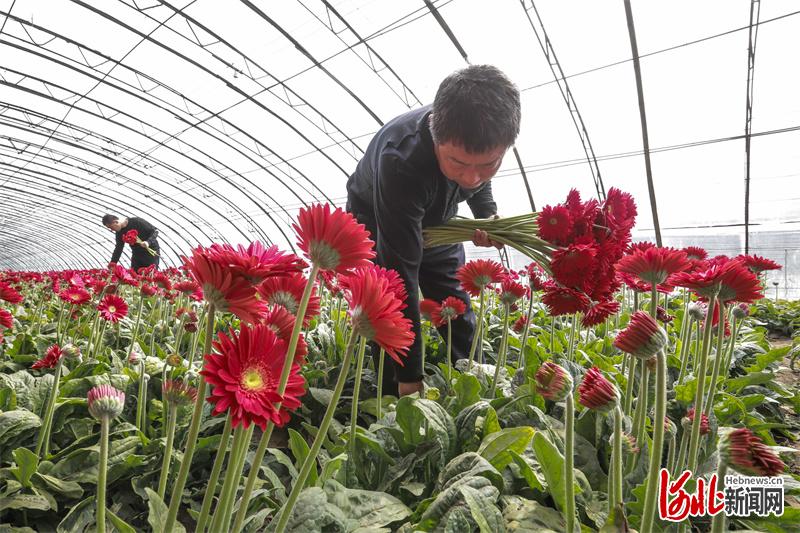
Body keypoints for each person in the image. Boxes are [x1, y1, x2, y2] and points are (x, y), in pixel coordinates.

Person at [346, 64, 521, 397]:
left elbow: (474, 176)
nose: (472, 178)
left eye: (488, 165)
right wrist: (410, 377)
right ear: (437, 138)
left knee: (456, 304)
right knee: (385, 303)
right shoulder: (400, 160)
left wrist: (487, 215)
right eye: (457, 163)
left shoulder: (472, 151)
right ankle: (388, 398)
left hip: (436, 221)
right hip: (378, 218)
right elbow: (400, 275)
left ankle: (478, 388)